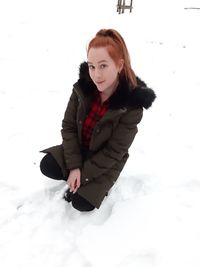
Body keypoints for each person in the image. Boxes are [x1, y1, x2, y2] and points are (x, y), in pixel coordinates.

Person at [40, 29, 156, 212]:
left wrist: (82, 174)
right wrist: (74, 166)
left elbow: (114, 152)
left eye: (103, 66)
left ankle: (90, 184)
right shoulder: (82, 89)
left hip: (106, 161)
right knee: (47, 165)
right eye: (91, 66)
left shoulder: (132, 107)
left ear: (119, 65)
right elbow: (69, 127)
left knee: (82, 204)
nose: (96, 75)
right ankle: (76, 178)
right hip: (79, 149)